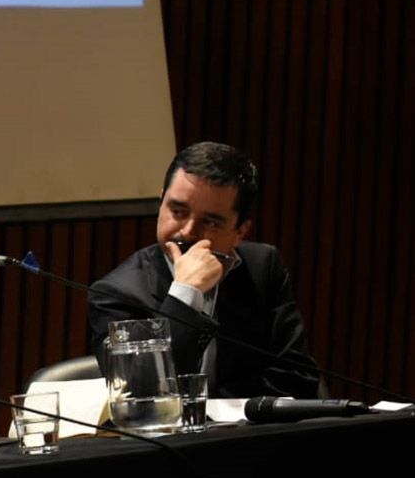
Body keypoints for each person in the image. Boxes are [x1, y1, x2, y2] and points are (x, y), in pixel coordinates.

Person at [88, 141, 320, 398]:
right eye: (177, 211)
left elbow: (299, 379)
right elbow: (141, 392)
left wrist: (219, 417)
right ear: (161, 201)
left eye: (210, 222)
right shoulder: (117, 293)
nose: (187, 231)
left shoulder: (262, 267)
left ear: (240, 231)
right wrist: (185, 294)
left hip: (251, 432)